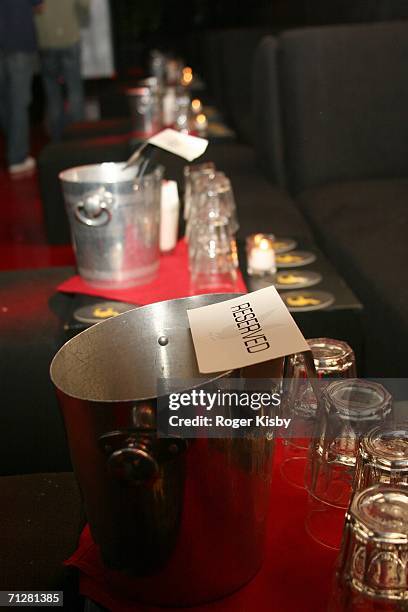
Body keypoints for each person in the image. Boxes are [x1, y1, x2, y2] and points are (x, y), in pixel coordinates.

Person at [35, 0, 90, 141]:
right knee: (75, 91)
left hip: (45, 39)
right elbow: (84, 4)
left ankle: (57, 141)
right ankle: (79, 138)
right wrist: (81, 19)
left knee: (52, 94)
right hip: (69, 35)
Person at [0, 0, 42, 175]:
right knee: (19, 102)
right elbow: (39, 6)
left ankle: (12, 146)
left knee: (4, 101)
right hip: (19, 40)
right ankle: (17, 157)